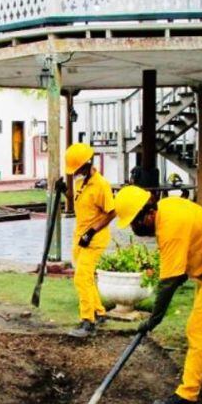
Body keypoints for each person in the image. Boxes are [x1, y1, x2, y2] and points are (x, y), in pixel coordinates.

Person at [113, 185, 202, 404]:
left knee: (197, 328)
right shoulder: (166, 210)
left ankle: (187, 397)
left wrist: (153, 320)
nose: (135, 230)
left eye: (135, 223)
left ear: (148, 212)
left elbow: (169, 283)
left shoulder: (170, 227)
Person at [64, 143, 116, 339]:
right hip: (80, 236)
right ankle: (99, 312)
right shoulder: (80, 182)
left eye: (77, 168)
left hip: (95, 238)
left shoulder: (101, 184)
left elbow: (112, 212)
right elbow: (78, 202)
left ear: (87, 164)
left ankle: (88, 322)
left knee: (81, 278)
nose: (75, 172)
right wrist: (64, 192)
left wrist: (92, 231)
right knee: (86, 276)